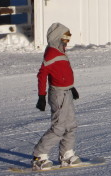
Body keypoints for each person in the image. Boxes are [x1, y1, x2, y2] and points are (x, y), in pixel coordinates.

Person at [32, 23, 82, 170]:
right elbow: (42, 75)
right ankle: (39, 156)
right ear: (57, 37)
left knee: (71, 124)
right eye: (65, 37)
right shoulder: (51, 53)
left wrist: (72, 88)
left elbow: (62, 73)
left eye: (68, 37)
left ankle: (66, 154)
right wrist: (42, 96)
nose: (67, 40)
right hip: (58, 94)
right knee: (58, 127)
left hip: (66, 92)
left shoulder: (61, 51)